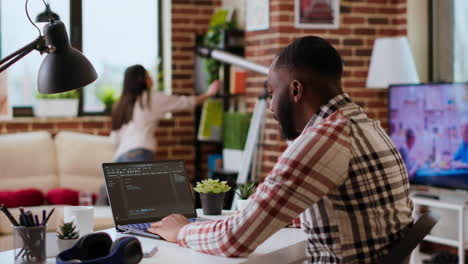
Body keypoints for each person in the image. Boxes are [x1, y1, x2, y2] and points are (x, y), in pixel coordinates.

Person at [146, 36, 413, 263]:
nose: (271, 106)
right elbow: (348, 212)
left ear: (296, 90)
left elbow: (233, 240)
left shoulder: (323, 139)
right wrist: (269, 216)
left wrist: (182, 230)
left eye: (272, 92)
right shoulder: (367, 126)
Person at [110, 64, 220, 162]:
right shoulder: (150, 98)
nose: (151, 79)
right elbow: (184, 102)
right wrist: (209, 94)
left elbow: (114, 139)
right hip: (140, 151)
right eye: (148, 76)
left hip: (119, 157)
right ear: (140, 80)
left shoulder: (120, 105)